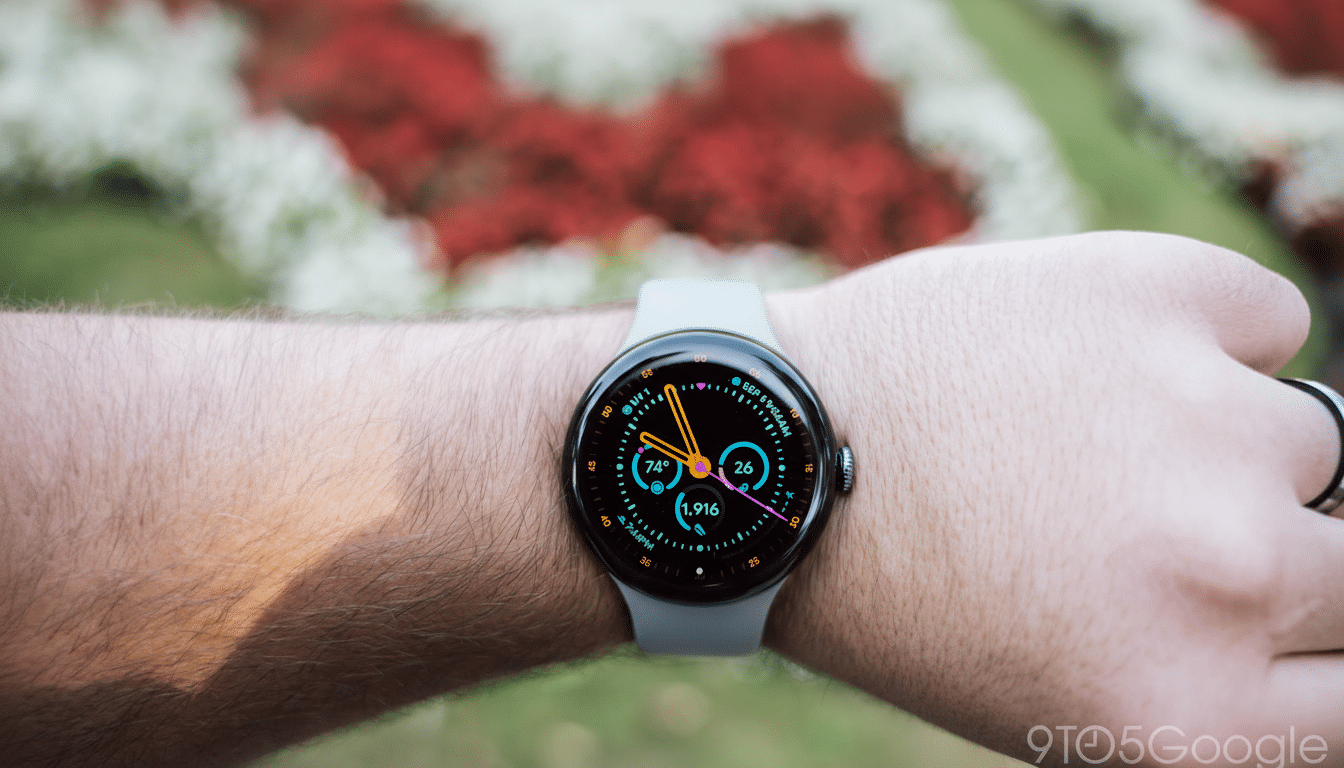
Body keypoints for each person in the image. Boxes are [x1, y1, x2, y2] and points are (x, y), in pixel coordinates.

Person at [1, 231, 1340, 767]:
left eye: (719, 463)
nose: (704, 469)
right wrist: (894, 438)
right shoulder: (749, 467)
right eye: (700, 457)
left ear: (825, 472)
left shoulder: (734, 461)